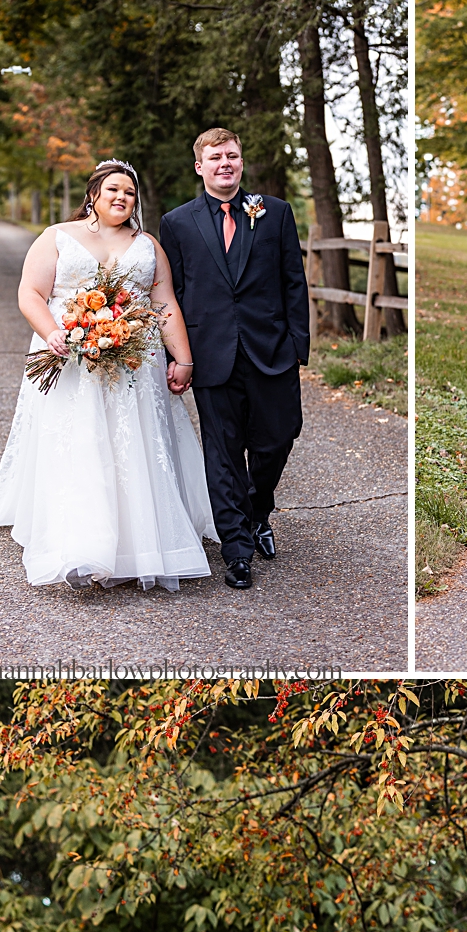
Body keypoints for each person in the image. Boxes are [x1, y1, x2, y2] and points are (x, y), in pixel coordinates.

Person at [0, 161, 216, 593]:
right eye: (113, 189)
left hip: (136, 363)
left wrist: (183, 359)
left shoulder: (148, 244)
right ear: (93, 194)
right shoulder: (57, 237)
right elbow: (30, 294)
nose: (122, 198)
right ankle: (82, 546)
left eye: (130, 193)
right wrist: (53, 331)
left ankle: (141, 540)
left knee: (133, 443)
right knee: (82, 443)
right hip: (72, 360)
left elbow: (165, 302)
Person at [158, 129, 312, 590]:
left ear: (242, 162)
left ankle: (258, 510)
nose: (226, 163)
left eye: (233, 155)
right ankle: (237, 548)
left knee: (280, 435)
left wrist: (297, 346)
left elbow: (294, 283)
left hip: (271, 351)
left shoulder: (275, 213)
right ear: (199, 167)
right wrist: (180, 355)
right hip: (211, 355)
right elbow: (175, 294)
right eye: (215, 157)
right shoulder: (177, 223)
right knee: (222, 453)